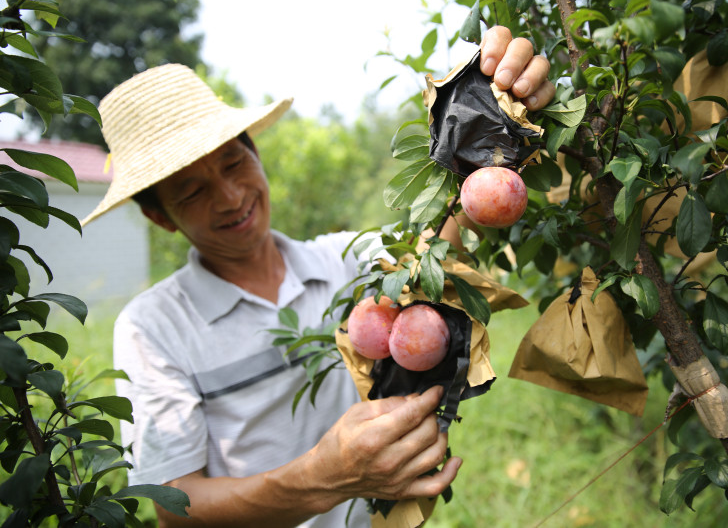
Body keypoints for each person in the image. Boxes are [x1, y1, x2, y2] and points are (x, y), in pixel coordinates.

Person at [81, 26, 556, 528]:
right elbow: (174, 506)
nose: (230, 196)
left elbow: (440, 242)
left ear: (256, 155)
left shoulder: (346, 263)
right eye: (192, 192)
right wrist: (322, 479)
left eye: (233, 162)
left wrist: (498, 104)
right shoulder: (153, 327)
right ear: (160, 217)